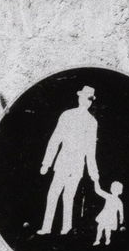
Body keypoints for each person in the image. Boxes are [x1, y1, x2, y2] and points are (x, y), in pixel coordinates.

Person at [37, 85, 101, 235]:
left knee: (68, 196)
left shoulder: (92, 122)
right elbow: (55, 139)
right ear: (79, 97)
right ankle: (47, 227)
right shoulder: (67, 115)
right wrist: (46, 163)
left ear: (91, 102)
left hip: (77, 164)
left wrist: (94, 173)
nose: (87, 101)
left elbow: (91, 150)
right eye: (85, 97)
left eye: (90, 99)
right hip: (63, 162)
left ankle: (66, 227)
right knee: (53, 194)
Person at [92, 180, 124, 246]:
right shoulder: (109, 196)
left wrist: (121, 220)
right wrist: (96, 182)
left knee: (107, 230)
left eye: (116, 189)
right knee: (99, 228)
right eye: (113, 188)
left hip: (111, 218)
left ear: (119, 191)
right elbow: (98, 191)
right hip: (104, 215)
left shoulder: (119, 202)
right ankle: (97, 240)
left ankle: (107, 240)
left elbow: (121, 212)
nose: (114, 190)